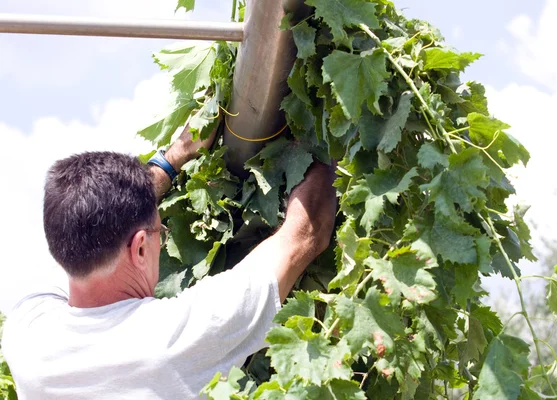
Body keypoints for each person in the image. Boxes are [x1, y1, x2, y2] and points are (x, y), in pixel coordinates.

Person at [1, 124, 337, 399]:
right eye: (159, 231)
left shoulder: (28, 338)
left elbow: (85, 233)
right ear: (141, 248)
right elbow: (306, 232)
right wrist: (318, 128)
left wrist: (171, 160)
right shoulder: (172, 338)